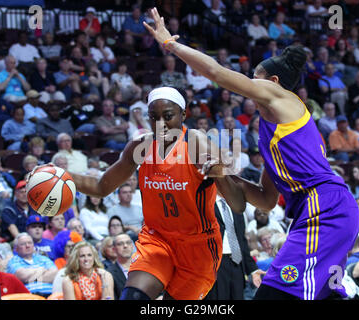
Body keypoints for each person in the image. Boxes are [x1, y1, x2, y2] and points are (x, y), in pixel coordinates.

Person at [143, 8, 359, 300]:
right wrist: (222, 174)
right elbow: (266, 200)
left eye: (253, 79)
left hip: (326, 206)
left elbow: (217, 72)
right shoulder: (273, 137)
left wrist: (170, 44)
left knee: (273, 294)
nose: (247, 84)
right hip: (317, 209)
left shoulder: (284, 99)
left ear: (272, 82)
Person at [32, 85, 242, 300]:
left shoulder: (198, 145)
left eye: (168, 116)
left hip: (198, 246)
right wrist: (61, 175)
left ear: (183, 114)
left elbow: (238, 204)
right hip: (157, 239)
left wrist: (220, 174)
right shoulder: (139, 148)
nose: (160, 124)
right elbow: (102, 186)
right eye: (153, 117)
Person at [204, 194, 263, 300]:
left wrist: (252, 270)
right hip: (217, 263)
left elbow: (242, 240)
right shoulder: (204, 203)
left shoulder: (236, 206)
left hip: (237, 262)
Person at [6, 232, 58, 297]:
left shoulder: (43, 258)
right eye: (23, 244)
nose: (27, 246)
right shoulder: (13, 261)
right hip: (29, 296)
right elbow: (23, 276)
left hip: (51, 294)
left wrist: (31, 278)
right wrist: (43, 270)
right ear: (16, 248)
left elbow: (55, 274)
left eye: (30, 243)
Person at [105, 233, 134, 299]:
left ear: (132, 246)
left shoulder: (143, 267)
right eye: (120, 244)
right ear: (114, 249)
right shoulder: (109, 273)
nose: (125, 246)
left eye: (128, 242)